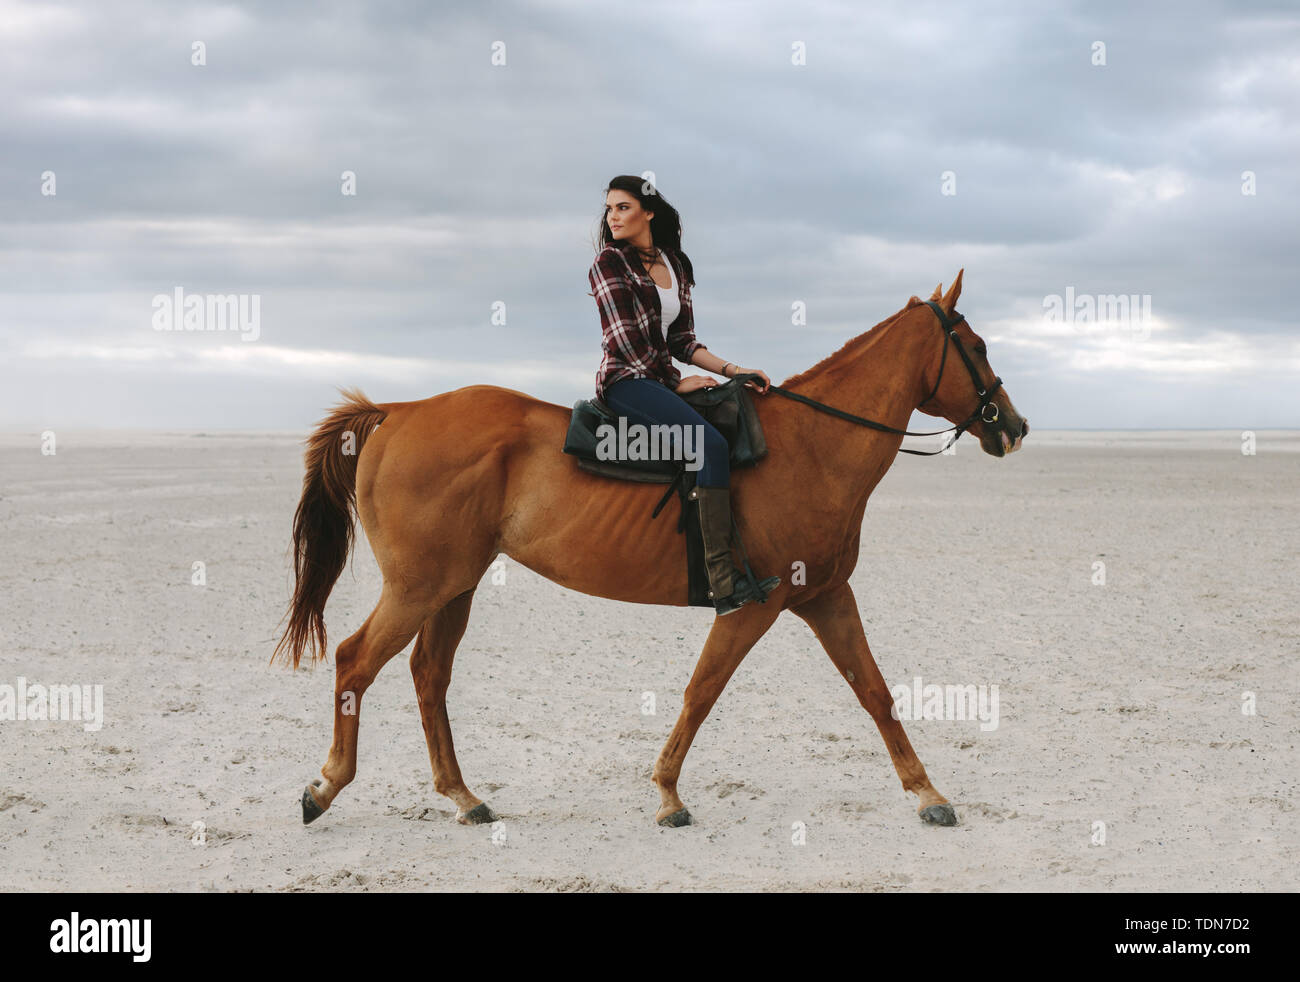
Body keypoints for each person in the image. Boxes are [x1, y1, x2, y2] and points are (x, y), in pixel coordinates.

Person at [587, 175, 780, 615]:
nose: (613, 217)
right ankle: (723, 583)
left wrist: (734, 370)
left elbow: (683, 340)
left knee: (737, 415)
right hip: (627, 381)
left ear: (648, 212)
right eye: (610, 210)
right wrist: (675, 384)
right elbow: (625, 340)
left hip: (659, 376)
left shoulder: (677, 264)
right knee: (707, 444)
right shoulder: (608, 263)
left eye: (623, 207)